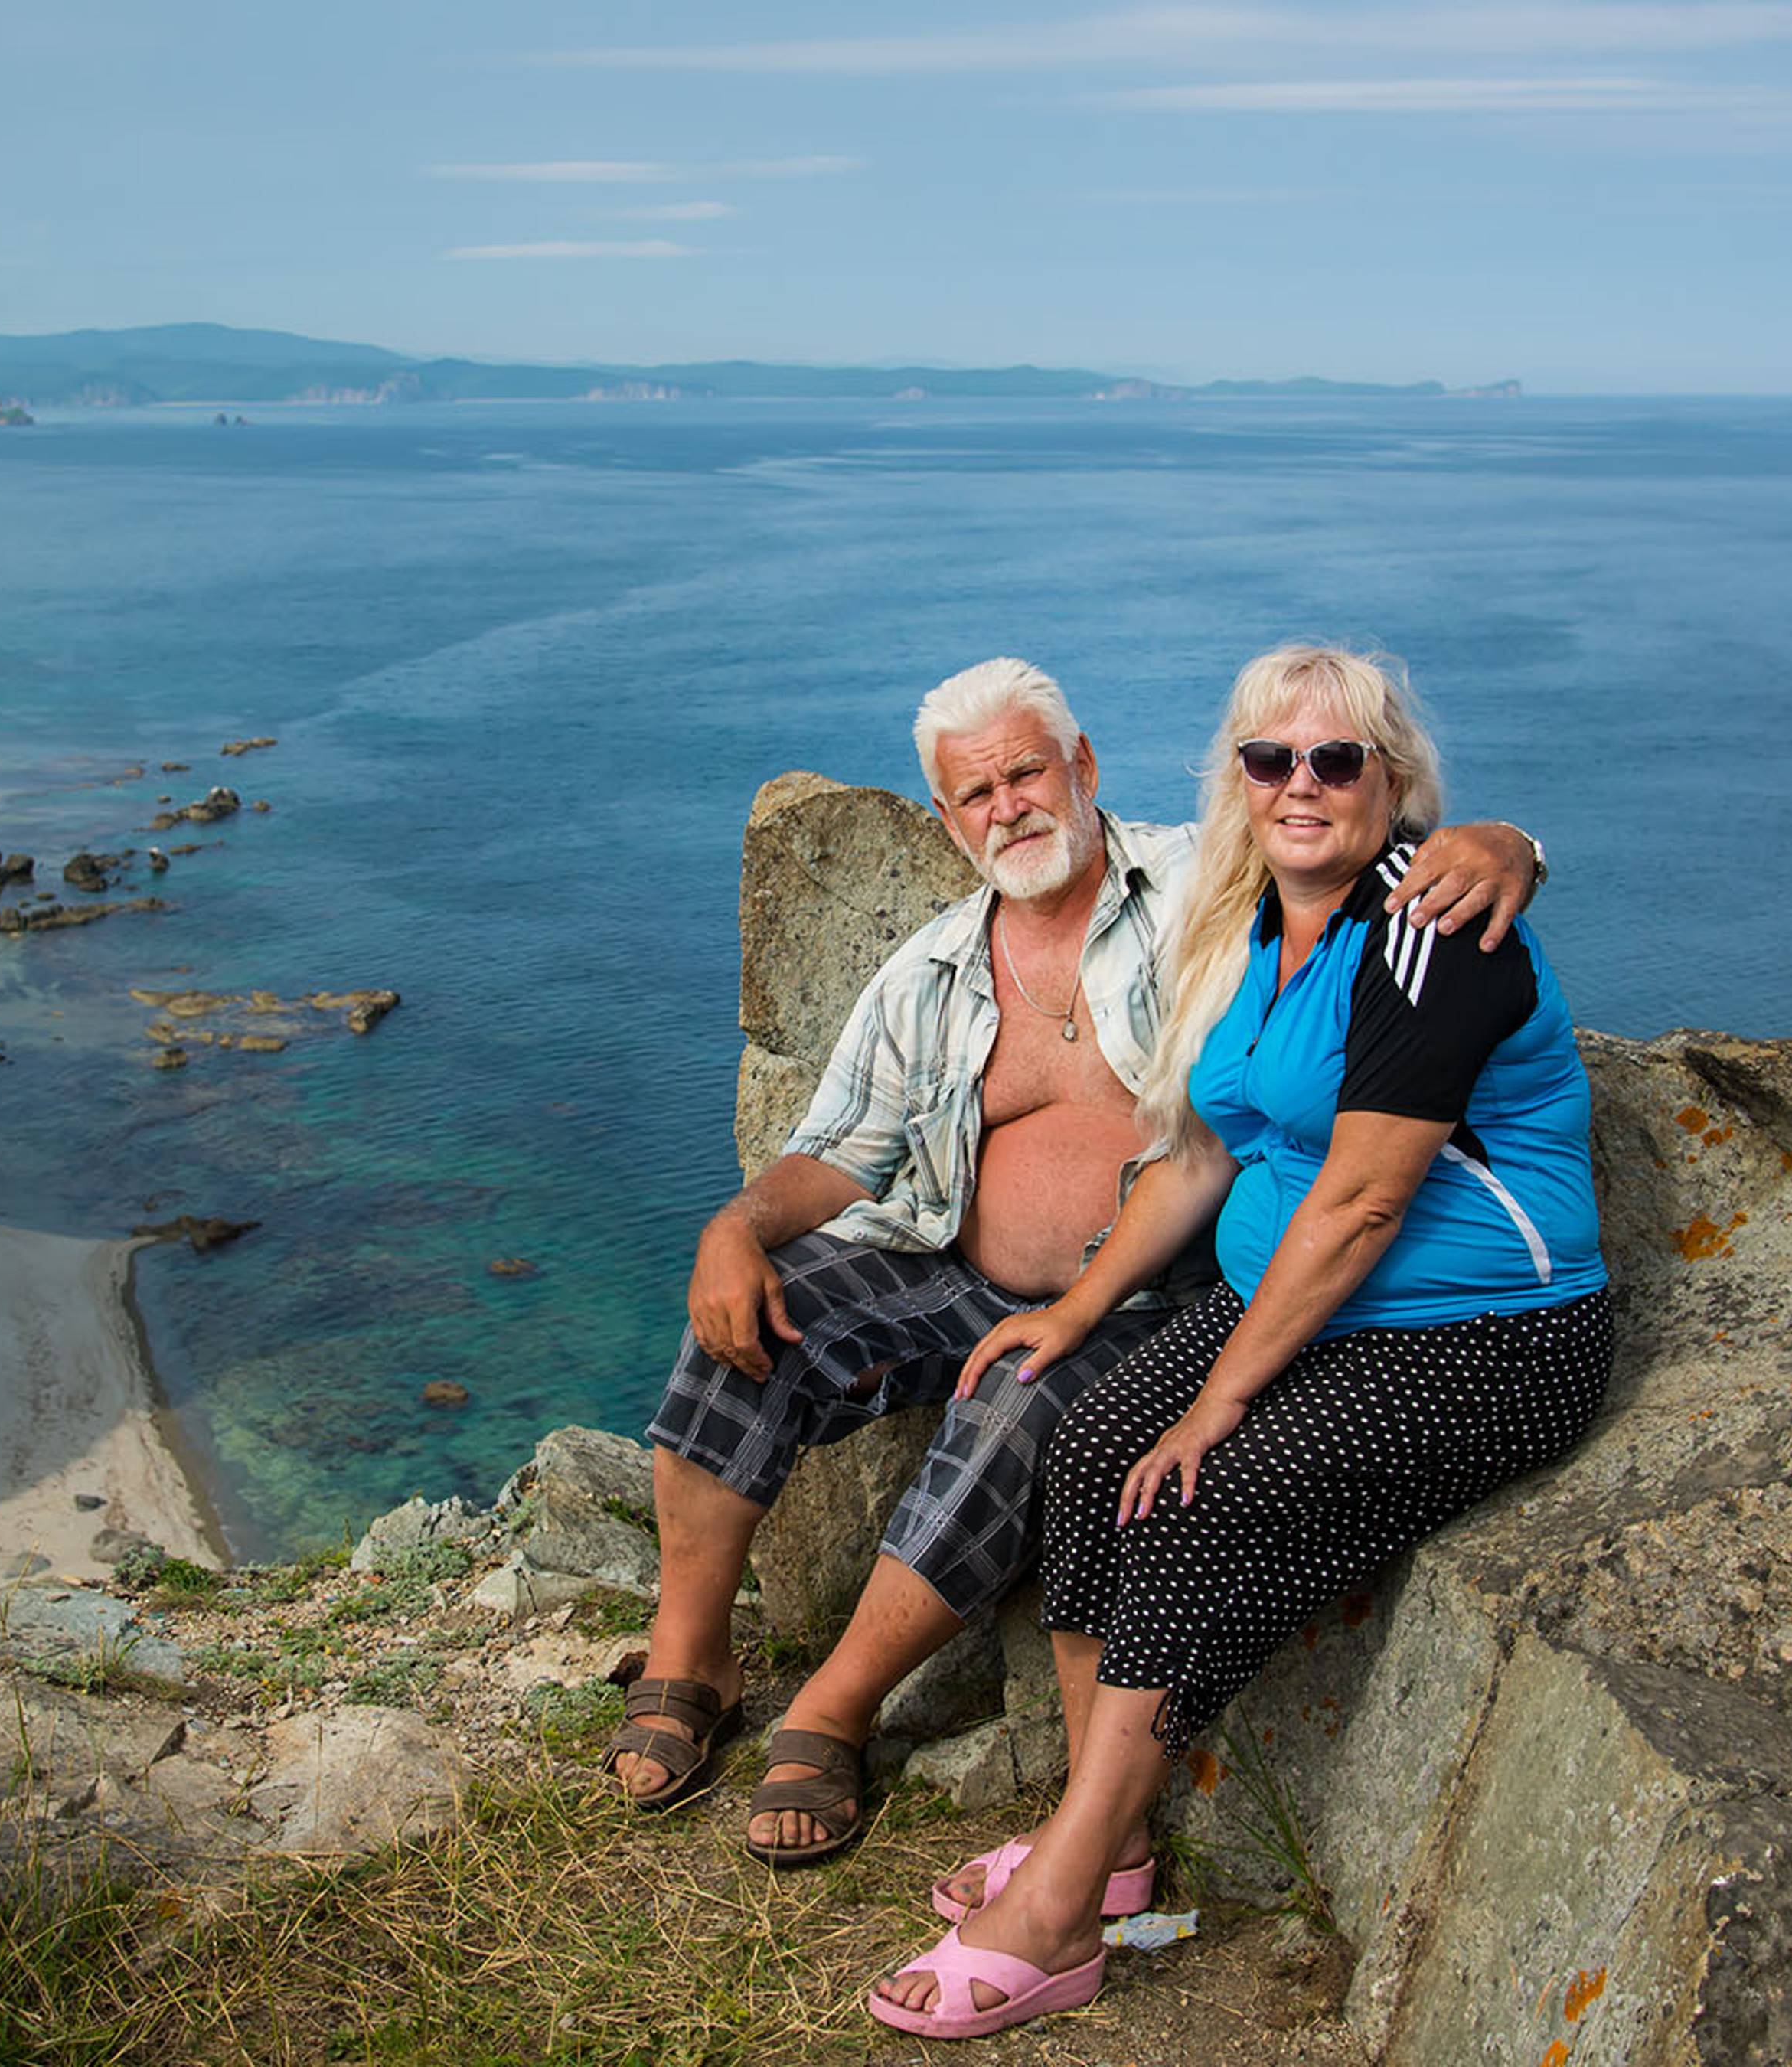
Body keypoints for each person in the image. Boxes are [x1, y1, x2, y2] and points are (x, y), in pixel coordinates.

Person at [606, 656, 1549, 1866]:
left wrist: (1509, 839)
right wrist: (732, 1230)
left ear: (1083, 768)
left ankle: (834, 1708)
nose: (1008, 808)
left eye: (1026, 772)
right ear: (946, 821)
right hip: (951, 1270)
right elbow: (839, 1156)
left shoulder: (1205, 881)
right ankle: (692, 1655)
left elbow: (1343, 829)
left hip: (1147, 1297)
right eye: (975, 793)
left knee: (1023, 1400)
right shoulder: (929, 969)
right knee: (759, 1308)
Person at [870, 645, 1614, 2038]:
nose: (1302, 785)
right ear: (1238, 782)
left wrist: (1215, 1400)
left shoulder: (1427, 931)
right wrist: (1080, 1309)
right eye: (1272, 759)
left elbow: (1365, 1198)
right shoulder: (1249, 925)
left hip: (1483, 1338)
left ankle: (1060, 1911)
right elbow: (1213, 1150)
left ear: (1395, 785)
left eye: (1339, 760)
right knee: (1088, 1444)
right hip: (1313, 1314)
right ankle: (1116, 1850)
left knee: (1197, 1494)